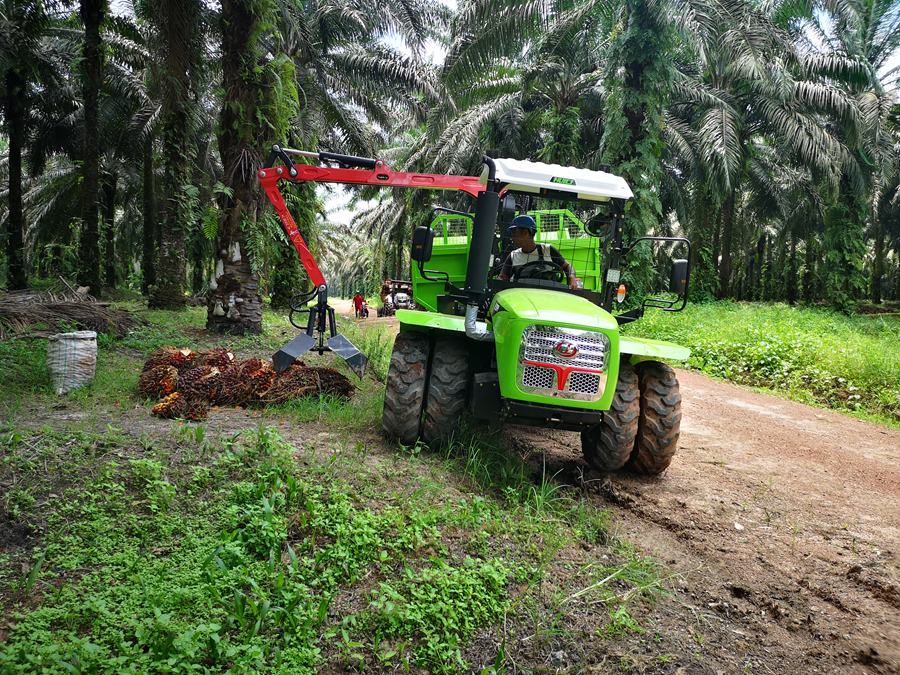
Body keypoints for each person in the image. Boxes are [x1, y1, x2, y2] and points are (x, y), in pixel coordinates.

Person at [498, 215, 580, 290]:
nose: (512, 239)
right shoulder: (513, 256)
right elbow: (503, 277)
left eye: (514, 234)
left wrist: (571, 278)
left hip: (549, 295)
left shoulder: (548, 250)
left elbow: (567, 266)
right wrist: (498, 282)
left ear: (526, 233)